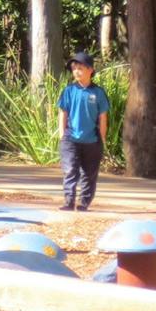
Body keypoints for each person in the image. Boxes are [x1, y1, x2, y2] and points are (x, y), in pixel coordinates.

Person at [57, 50, 111, 212]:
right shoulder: (69, 91)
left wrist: (102, 139)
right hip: (71, 138)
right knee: (70, 170)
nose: (77, 72)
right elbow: (63, 113)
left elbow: (103, 117)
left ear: (90, 70)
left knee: (89, 173)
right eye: (74, 69)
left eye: (81, 68)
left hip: (92, 140)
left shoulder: (98, 93)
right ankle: (69, 201)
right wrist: (62, 134)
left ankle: (84, 202)